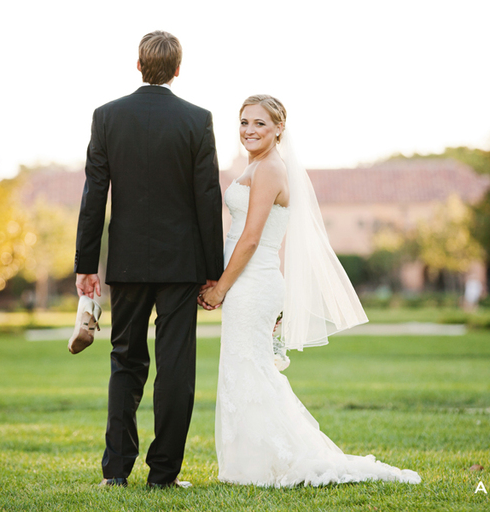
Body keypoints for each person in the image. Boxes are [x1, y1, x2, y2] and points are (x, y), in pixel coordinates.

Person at [200, 95, 421, 487]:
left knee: (250, 370)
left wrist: (221, 288)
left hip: (252, 281)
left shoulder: (269, 169)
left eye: (259, 124)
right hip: (249, 281)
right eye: (244, 122)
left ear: (279, 129)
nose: (249, 130)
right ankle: (252, 461)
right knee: (245, 369)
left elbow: (250, 239)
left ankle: (268, 461)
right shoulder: (257, 165)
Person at [74, 31, 224, 489]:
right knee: (176, 367)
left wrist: (86, 263)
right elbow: (207, 197)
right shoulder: (197, 120)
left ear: (138, 67)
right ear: (178, 70)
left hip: (127, 262)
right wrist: (213, 272)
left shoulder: (107, 117)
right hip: (182, 265)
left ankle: (115, 473)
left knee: (125, 360)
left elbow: (94, 193)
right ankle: (164, 476)